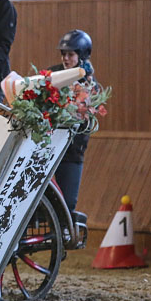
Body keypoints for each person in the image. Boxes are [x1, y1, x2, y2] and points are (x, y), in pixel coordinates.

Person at [48, 29, 98, 222]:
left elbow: (86, 123)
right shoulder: (52, 74)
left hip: (71, 152)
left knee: (66, 205)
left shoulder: (91, 85)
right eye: (63, 54)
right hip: (48, 147)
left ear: (82, 56)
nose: (65, 58)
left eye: (70, 54)